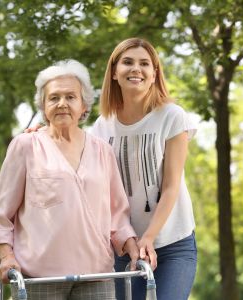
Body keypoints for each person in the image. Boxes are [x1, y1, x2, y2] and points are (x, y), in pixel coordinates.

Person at [0, 59, 144, 300]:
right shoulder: (26, 146)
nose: (62, 104)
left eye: (70, 97)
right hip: (39, 278)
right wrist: (7, 257)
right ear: (43, 105)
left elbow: (117, 214)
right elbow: (1, 214)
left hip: (96, 276)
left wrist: (132, 245)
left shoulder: (103, 151)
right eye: (54, 98)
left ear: (84, 106)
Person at [93, 37, 197, 300]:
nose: (136, 69)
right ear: (114, 72)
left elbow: (171, 186)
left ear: (154, 74)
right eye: (127, 62)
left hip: (173, 242)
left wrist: (149, 237)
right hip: (123, 246)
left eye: (144, 64)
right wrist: (41, 133)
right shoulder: (101, 126)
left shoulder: (172, 116)